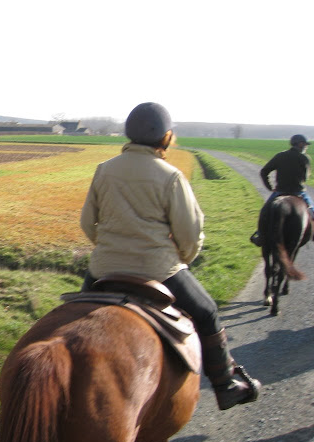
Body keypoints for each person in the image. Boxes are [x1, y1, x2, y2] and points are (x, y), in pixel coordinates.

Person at [80, 102, 261, 411]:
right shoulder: (171, 176)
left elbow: (87, 223)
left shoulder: (104, 169)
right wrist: (182, 259)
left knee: (74, 318)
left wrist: (110, 247)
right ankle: (225, 385)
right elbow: (190, 233)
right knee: (207, 312)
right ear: (165, 137)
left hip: (104, 268)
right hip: (160, 270)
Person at [250, 134, 314, 246]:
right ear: (299, 144)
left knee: (265, 211)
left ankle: (260, 235)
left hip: (280, 191)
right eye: (304, 144)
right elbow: (305, 177)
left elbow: (264, 171)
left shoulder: (280, 156)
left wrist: (270, 187)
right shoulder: (304, 158)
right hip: (298, 192)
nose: (306, 146)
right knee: (312, 211)